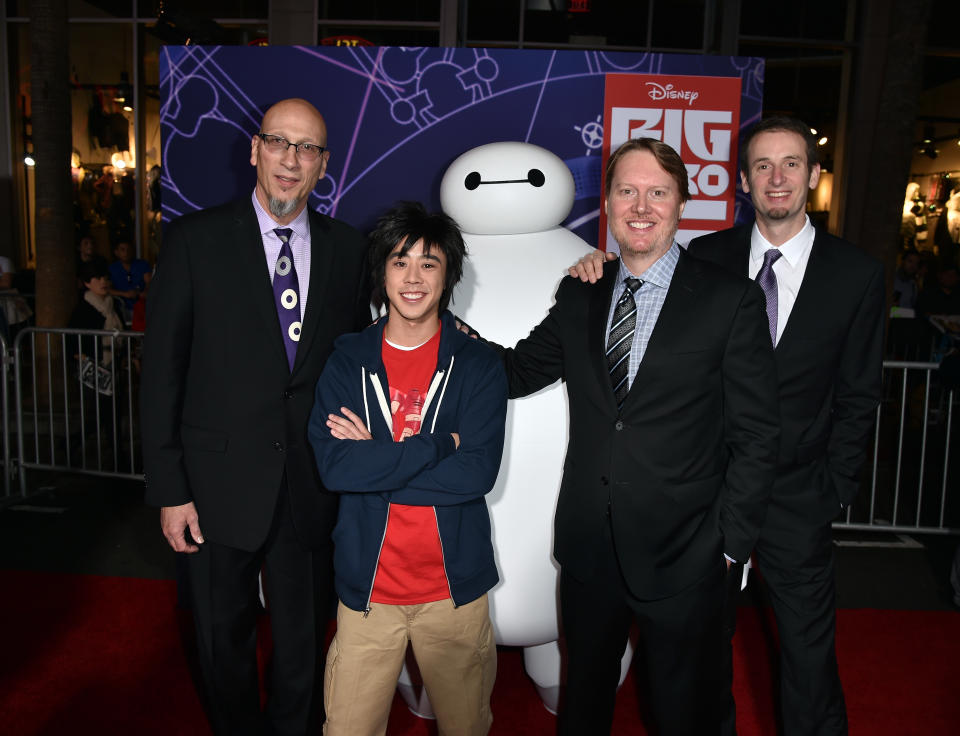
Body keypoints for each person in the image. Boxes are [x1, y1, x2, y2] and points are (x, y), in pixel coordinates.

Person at [572, 117, 884, 736]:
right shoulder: (707, 255)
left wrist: (833, 490)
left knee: (807, 658)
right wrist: (598, 264)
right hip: (706, 502)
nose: (777, 178)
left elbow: (859, 395)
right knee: (702, 664)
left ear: (814, 175)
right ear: (742, 181)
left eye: (791, 163)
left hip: (798, 498)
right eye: (762, 166)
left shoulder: (856, 275)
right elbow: (640, 271)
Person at [498, 137, 779, 735]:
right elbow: (518, 372)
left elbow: (757, 434)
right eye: (627, 190)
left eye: (658, 192)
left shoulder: (730, 299)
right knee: (584, 704)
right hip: (589, 549)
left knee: (684, 712)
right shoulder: (581, 289)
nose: (641, 205)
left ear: (681, 205)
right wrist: (425, 326)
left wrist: (730, 545)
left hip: (688, 552)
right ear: (608, 202)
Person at [140, 98, 371, 736]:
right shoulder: (193, 242)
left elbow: (361, 356)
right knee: (221, 638)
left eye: (307, 149)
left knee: (304, 643)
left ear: (324, 165)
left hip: (309, 487)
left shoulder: (348, 250)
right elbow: (162, 375)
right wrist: (171, 490)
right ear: (254, 150)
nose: (290, 161)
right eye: (278, 143)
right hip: (214, 489)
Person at [308, 202, 507, 736]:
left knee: (466, 727)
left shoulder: (478, 364)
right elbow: (336, 469)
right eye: (399, 262)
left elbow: (476, 475)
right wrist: (437, 445)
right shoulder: (348, 359)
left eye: (429, 263)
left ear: (449, 276)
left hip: (453, 594)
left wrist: (376, 458)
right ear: (381, 273)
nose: (413, 278)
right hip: (367, 591)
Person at [108, 239, 151, 319]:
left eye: (128, 249)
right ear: (116, 252)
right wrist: (125, 294)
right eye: (122, 250)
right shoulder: (112, 268)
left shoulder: (142, 264)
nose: (126, 253)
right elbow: (108, 289)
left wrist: (145, 291)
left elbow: (149, 282)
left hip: (142, 306)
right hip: (121, 308)